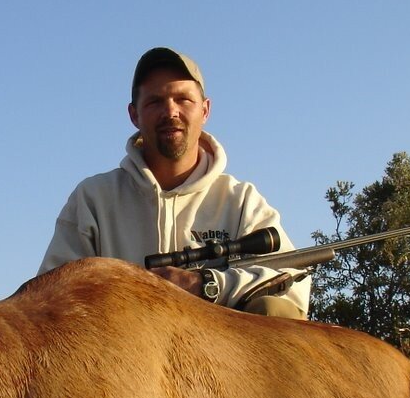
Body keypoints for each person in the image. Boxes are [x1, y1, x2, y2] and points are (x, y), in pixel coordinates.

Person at [39, 47, 310, 318]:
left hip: (217, 354)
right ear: (134, 115)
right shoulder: (93, 198)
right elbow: (49, 297)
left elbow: (293, 283)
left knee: (277, 311)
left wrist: (206, 285)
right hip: (124, 352)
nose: (170, 111)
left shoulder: (241, 200)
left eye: (183, 99)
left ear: (205, 110)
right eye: (155, 102)